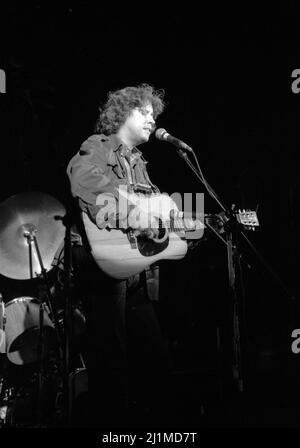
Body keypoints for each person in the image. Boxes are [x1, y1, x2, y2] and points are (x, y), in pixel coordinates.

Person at [66, 84, 173, 427]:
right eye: (144, 111)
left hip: (137, 269)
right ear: (123, 113)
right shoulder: (97, 146)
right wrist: (137, 215)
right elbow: (85, 181)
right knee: (112, 359)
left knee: (154, 359)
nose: (152, 117)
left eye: (153, 112)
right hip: (104, 265)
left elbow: (153, 218)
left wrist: (175, 224)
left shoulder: (140, 163)